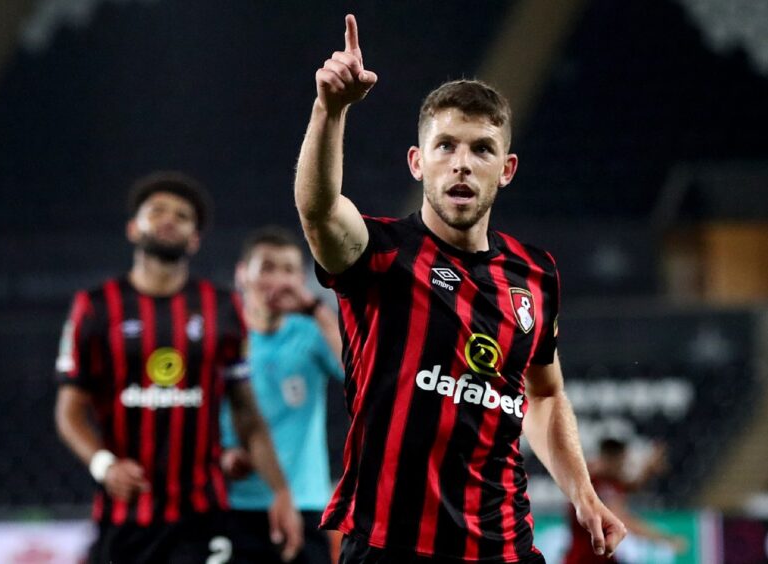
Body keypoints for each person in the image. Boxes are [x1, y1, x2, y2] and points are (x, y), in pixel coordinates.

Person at [292, 14, 628, 564]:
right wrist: (330, 109)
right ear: (417, 162)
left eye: (481, 149)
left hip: (502, 546)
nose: (462, 164)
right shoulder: (379, 253)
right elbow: (319, 210)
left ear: (507, 169)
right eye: (445, 146)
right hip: (388, 544)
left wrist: (582, 491)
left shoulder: (535, 274)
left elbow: (542, 394)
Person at [54, 172, 303, 564]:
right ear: (134, 228)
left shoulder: (222, 308)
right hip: (124, 519)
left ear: (195, 239)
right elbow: (69, 411)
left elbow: (246, 413)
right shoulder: (95, 307)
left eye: (183, 216)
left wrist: (282, 493)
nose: (169, 219)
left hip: (201, 516)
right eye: (157, 211)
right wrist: (105, 466)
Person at [219, 226, 345, 563]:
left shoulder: (311, 333)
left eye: (289, 270)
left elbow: (360, 374)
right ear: (242, 274)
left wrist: (315, 309)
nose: (278, 280)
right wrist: (223, 455)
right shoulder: (222, 339)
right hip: (233, 505)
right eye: (268, 268)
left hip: (305, 504)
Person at [564, 439, 686, 564]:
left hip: (598, 557)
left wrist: (648, 469)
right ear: (612, 459)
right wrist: (665, 538)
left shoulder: (604, 481)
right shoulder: (598, 485)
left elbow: (630, 484)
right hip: (586, 559)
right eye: (621, 462)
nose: (623, 467)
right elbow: (622, 520)